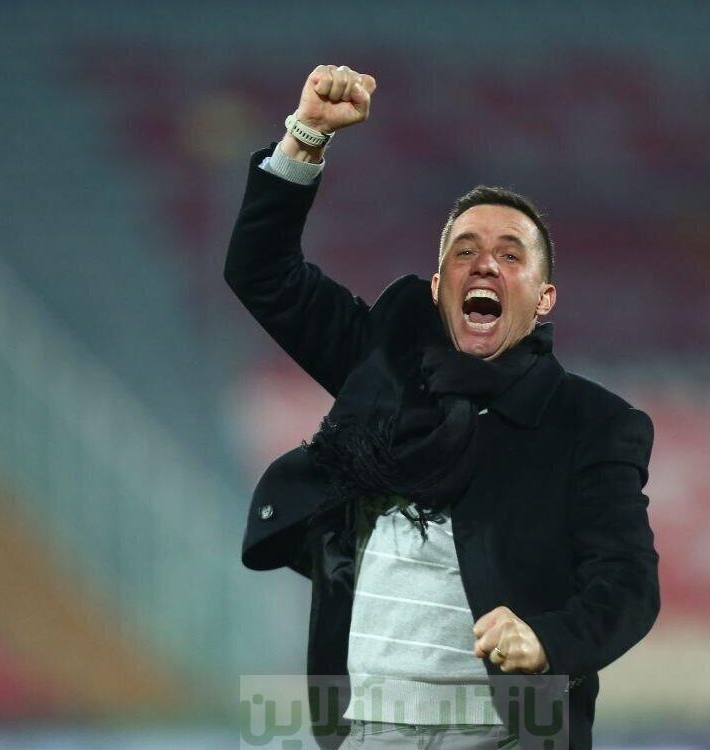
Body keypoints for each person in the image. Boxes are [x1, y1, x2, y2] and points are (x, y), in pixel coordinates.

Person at [226, 64, 659, 750]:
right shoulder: (381, 371)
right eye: (466, 251)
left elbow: (629, 584)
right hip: (366, 732)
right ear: (437, 288)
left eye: (510, 255)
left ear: (544, 298)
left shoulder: (591, 424)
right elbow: (262, 275)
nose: (485, 264)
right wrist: (305, 137)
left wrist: (549, 641)